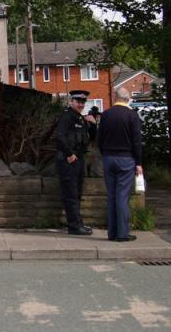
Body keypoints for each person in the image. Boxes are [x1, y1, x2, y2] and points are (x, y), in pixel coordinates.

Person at [97, 87, 144, 242]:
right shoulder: (132, 116)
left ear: (115, 97)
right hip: (126, 159)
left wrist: (105, 154)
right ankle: (122, 233)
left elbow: (99, 139)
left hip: (108, 158)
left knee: (111, 196)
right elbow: (136, 141)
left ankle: (112, 233)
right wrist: (138, 162)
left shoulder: (106, 115)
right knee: (122, 197)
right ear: (127, 98)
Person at [55, 89, 97, 235]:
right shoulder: (67, 117)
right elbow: (59, 136)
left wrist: (93, 124)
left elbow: (90, 138)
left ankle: (78, 224)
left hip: (78, 160)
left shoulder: (80, 118)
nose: (80, 104)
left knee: (77, 193)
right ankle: (74, 226)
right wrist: (69, 154)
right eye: (78, 101)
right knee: (71, 194)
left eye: (83, 102)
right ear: (71, 101)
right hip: (68, 160)